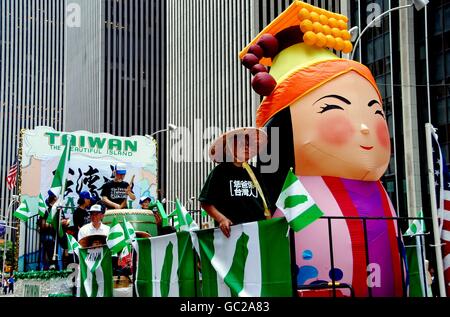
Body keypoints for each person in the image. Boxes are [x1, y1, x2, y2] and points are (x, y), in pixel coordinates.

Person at [199, 128, 271, 238]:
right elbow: (205, 202)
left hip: (257, 232)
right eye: (241, 144)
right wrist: (222, 219)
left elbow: (266, 205)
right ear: (229, 149)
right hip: (231, 235)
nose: (246, 147)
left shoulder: (255, 172)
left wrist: (269, 227)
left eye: (247, 144)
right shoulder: (220, 172)